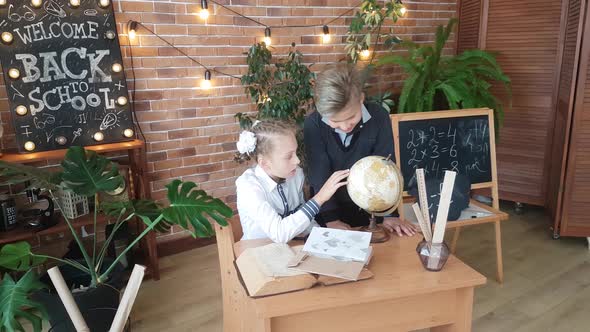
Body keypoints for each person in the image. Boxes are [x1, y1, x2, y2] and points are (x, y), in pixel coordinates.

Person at [304, 64, 416, 236]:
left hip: (372, 209)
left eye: (351, 117)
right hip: (329, 211)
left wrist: (389, 214)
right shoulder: (314, 124)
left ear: (361, 99)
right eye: (335, 121)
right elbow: (319, 176)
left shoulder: (379, 116)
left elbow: (386, 167)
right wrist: (331, 219)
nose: (344, 126)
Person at [235, 119, 349, 243]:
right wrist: (320, 198)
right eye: (289, 156)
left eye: (296, 152)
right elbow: (279, 234)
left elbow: (302, 217)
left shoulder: (296, 175)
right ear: (264, 163)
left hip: (290, 250)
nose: (297, 161)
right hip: (255, 254)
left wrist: (321, 236)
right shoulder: (248, 187)